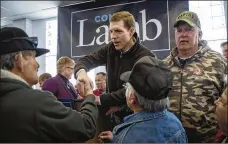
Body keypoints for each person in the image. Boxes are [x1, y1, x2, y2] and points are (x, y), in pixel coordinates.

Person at [0, 27, 98, 142]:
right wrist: (89, 95)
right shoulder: (36, 101)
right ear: (19, 60)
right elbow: (86, 127)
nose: (37, 65)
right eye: (33, 56)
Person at [74, 11, 156, 130]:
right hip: (113, 118)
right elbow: (86, 60)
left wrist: (100, 99)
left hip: (137, 120)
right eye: (111, 31)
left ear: (131, 31)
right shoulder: (110, 49)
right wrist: (81, 73)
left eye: (118, 31)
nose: (113, 36)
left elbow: (134, 89)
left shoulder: (145, 57)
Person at [163, 11, 227, 142]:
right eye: (179, 31)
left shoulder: (218, 61)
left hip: (208, 139)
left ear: (200, 34)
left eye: (189, 30)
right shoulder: (164, 65)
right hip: (170, 137)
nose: (183, 35)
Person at [95, 56, 187, 143]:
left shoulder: (127, 135)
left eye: (126, 87)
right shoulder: (175, 123)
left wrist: (119, 138)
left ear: (132, 97)